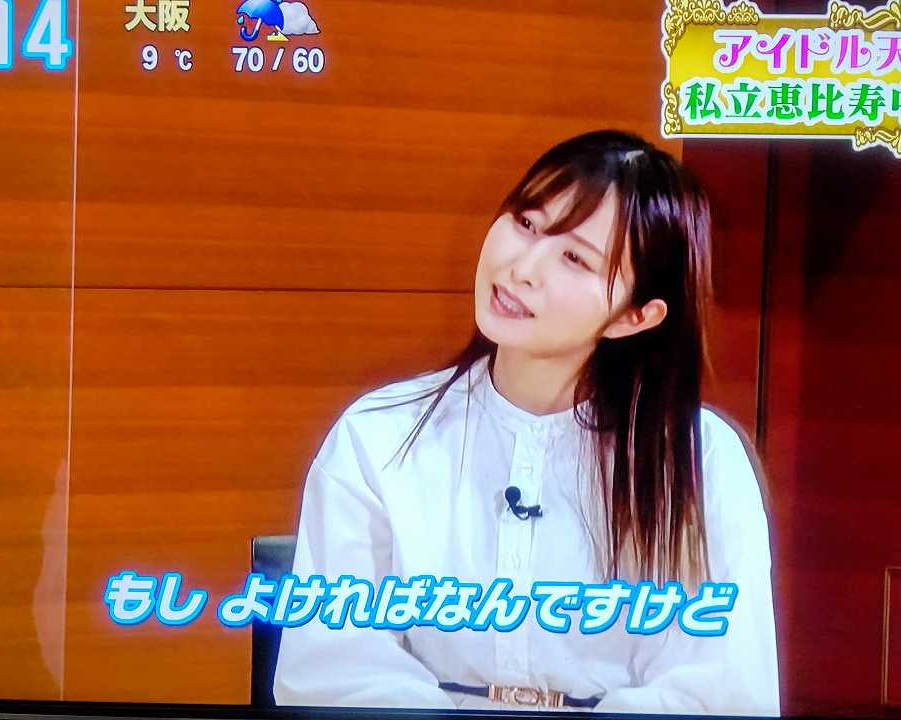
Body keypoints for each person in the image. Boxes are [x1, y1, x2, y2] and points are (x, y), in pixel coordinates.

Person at [273, 129, 779, 715]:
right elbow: (335, 669)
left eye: (575, 258)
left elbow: (717, 691)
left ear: (636, 316)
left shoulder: (700, 460)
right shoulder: (378, 436)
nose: (522, 268)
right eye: (526, 223)